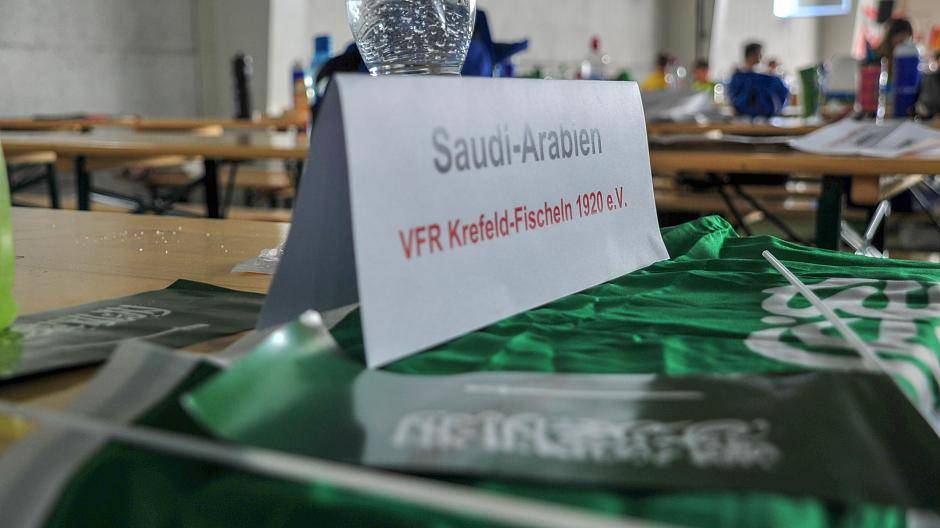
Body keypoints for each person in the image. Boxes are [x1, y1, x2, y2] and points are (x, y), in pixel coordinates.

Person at [727, 41, 789, 117]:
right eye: (759, 54)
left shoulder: (767, 77)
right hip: (742, 117)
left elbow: (782, 94)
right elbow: (733, 98)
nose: (761, 57)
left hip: (765, 117)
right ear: (752, 55)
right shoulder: (740, 76)